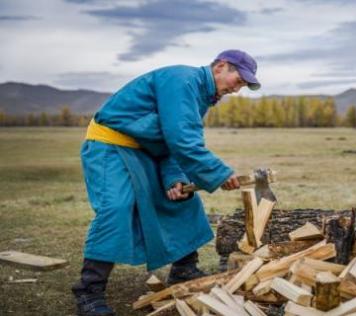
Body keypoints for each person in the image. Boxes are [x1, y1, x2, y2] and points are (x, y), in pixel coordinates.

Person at [72, 49, 260, 316]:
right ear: (221, 66)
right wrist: (217, 172)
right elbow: (182, 139)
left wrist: (175, 177)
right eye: (238, 80)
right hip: (109, 146)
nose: (237, 89)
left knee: (183, 200)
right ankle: (88, 292)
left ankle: (184, 269)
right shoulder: (183, 81)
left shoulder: (201, 95)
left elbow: (169, 141)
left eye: (242, 85)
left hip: (146, 151)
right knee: (116, 208)